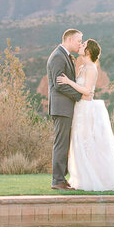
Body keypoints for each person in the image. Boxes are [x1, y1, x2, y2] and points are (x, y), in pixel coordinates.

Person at [57, 39, 114, 191]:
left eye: (83, 45)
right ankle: (83, 178)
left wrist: (68, 82)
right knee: (79, 143)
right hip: (79, 108)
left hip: (86, 110)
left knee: (88, 144)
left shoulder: (91, 69)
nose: (80, 46)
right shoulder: (83, 67)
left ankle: (96, 178)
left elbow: (88, 91)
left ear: (88, 51)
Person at [46, 28, 84, 190]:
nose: (80, 44)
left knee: (65, 144)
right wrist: (78, 95)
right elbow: (58, 84)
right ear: (69, 40)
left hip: (65, 108)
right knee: (61, 144)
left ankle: (62, 178)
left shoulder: (65, 56)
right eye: (78, 41)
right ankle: (57, 180)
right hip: (61, 108)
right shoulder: (57, 57)